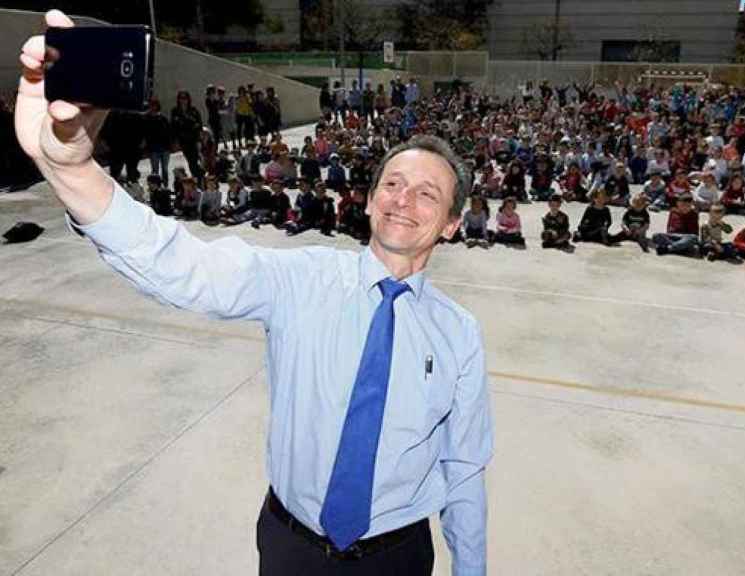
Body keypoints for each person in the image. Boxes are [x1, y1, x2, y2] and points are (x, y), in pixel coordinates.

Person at [17, 17, 492, 574]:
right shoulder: (299, 281)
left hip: (397, 556)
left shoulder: (459, 332)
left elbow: (463, 466)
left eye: (426, 193)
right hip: (292, 547)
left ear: (454, 224)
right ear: (367, 200)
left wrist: (472, 568)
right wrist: (73, 171)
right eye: (392, 184)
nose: (403, 200)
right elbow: (182, 264)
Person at [170, 89, 204, 179]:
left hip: (194, 139)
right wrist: (174, 141)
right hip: (183, 140)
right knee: (190, 160)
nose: (183, 100)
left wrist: (200, 139)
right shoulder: (175, 111)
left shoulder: (193, 110)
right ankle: (198, 176)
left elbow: (199, 124)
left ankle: (199, 177)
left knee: (194, 160)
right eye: (181, 98)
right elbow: (173, 127)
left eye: (185, 98)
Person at [144, 98, 172, 182]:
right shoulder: (146, 119)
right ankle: (155, 187)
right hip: (153, 148)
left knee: (165, 169)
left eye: (154, 105)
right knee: (155, 170)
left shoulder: (163, 118)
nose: (153, 107)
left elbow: (169, 132)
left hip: (165, 148)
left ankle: (165, 186)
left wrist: (170, 145)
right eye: (151, 105)